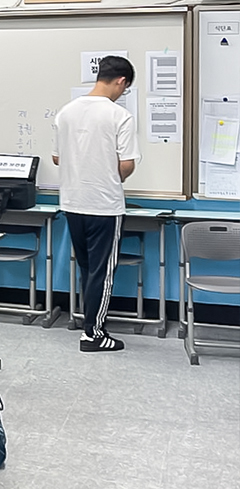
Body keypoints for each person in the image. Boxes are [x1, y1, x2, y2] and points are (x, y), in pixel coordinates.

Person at [53, 54, 141, 353]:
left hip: (72, 202)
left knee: (89, 269)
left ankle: (91, 323)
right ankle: (93, 333)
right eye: (125, 88)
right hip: (104, 205)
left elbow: (56, 157)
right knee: (102, 272)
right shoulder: (119, 116)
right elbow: (126, 165)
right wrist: (109, 173)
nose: (122, 93)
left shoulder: (66, 112)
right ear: (121, 81)